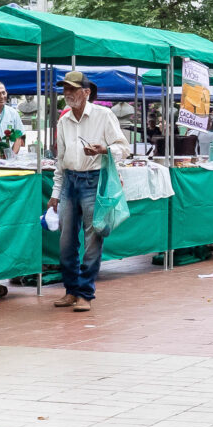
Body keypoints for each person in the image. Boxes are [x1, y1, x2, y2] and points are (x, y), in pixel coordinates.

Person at [47, 67, 128, 312]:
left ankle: (85, 293)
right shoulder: (63, 121)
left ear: (86, 92)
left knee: (93, 240)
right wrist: (54, 193)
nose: (67, 93)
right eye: (65, 89)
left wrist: (103, 149)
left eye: (71, 89)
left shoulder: (103, 115)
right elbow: (60, 161)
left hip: (94, 180)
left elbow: (124, 148)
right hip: (70, 181)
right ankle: (71, 290)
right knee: (65, 241)